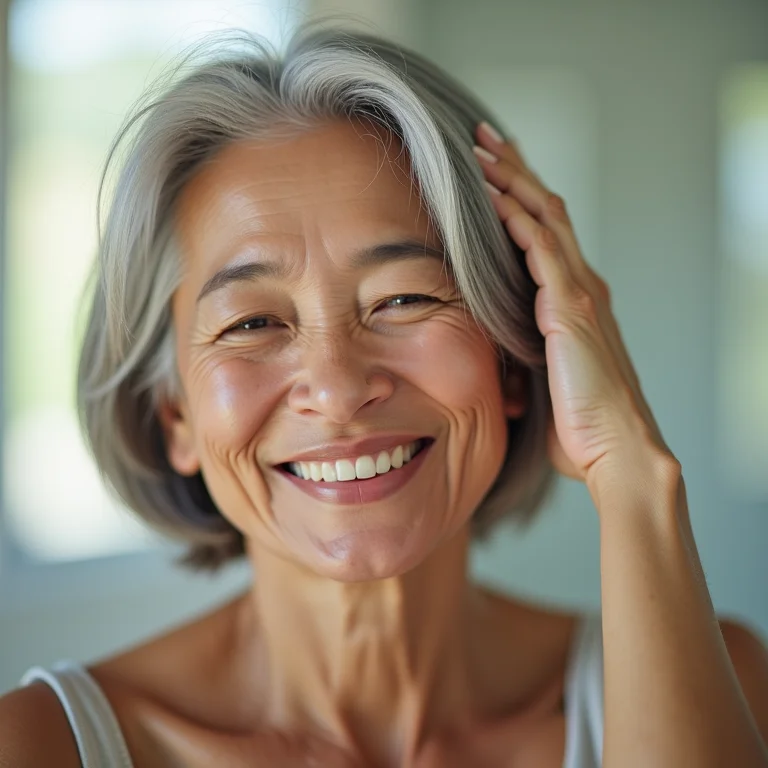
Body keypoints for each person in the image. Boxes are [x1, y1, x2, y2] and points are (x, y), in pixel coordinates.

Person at [1, 21, 766, 768]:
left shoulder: (721, 683)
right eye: (254, 322)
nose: (336, 389)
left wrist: (631, 474)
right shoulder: (37, 746)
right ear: (176, 418)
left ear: (512, 356)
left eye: (402, 300)